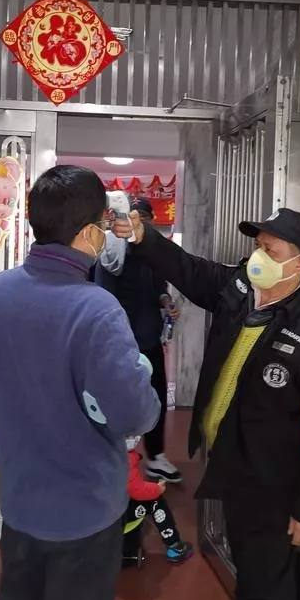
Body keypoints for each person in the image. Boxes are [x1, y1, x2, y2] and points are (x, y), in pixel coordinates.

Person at [112, 207, 300, 600]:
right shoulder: (240, 289)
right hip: (235, 460)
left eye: (270, 249)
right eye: (257, 245)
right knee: (251, 562)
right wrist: (144, 237)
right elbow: (190, 270)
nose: (257, 256)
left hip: (274, 479)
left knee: (266, 578)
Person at [0, 165, 161, 600]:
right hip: (86, 512)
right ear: (89, 231)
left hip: (22, 500)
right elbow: (134, 414)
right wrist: (143, 387)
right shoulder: (95, 309)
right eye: (102, 224)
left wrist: (23, 448)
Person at [95, 197, 182, 484]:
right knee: (117, 400)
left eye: (143, 219)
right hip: (119, 344)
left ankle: (155, 457)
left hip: (149, 339)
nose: (137, 224)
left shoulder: (153, 254)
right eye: (132, 218)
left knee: (156, 398)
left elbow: (159, 288)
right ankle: (116, 460)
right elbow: (101, 295)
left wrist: (166, 301)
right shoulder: (111, 252)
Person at [122, 435, 193, 566]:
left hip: (92, 518)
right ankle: (175, 546)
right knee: (155, 501)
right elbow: (135, 489)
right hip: (117, 518)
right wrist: (157, 489)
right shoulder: (123, 458)